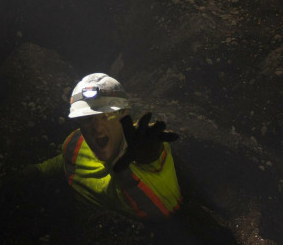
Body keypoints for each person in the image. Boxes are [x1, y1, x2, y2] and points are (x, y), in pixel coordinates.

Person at [24, 73, 182, 221]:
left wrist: (149, 156)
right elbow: (66, 158)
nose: (97, 128)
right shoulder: (75, 142)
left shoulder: (147, 151)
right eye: (87, 119)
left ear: (124, 114)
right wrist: (39, 170)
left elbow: (166, 204)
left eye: (107, 116)